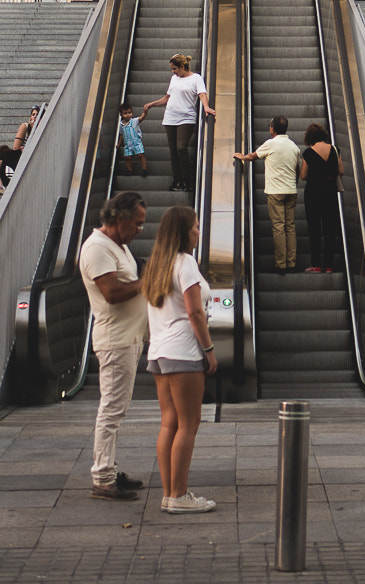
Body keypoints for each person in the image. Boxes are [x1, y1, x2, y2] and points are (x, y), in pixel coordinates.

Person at [142, 206, 217, 513]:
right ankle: (180, 495)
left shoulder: (157, 264)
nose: (199, 232)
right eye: (195, 227)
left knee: (168, 423)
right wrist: (209, 350)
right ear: (183, 232)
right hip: (184, 351)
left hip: (159, 351)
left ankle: (170, 494)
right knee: (189, 424)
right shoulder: (185, 262)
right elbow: (195, 311)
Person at [79, 191, 148, 501]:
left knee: (116, 409)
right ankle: (103, 477)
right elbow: (112, 293)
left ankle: (108, 469)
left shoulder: (118, 246)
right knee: (111, 410)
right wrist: (148, 282)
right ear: (119, 219)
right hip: (115, 341)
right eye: (137, 223)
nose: (140, 229)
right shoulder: (96, 248)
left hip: (128, 338)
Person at [234, 115, 301, 274]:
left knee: (279, 227)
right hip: (291, 191)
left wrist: (241, 157)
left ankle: (281, 264)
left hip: (275, 192)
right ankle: (291, 263)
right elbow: (297, 170)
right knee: (290, 227)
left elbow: (253, 156)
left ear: (273, 129)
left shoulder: (271, 144)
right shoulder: (294, 147)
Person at [144, 54, 215, 193]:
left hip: (186, 117)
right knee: (173, 151)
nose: (173, 71)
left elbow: (202, 94)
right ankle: (177, 180)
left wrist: (206, 107)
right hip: (170, 117)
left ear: (182, 66)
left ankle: (188, 180)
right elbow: (167, 98)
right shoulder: (174, 79)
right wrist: (152, 104)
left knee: (181, 148)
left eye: (174, 68)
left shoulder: (196, 78)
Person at [300, 123, 344, 273]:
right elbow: (341, 171)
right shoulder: (335, 150)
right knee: (329, 229)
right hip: (330, 190)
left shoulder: (308, 153)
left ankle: (316, 265)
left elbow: (303, 175)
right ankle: (329, 265)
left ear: (310, 137)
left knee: (314, 228)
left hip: (313, 191)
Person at [0, 105, 41, 194]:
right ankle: (0, 186)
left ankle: (13, 176)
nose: (35, 116)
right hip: (19, 157)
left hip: (34, 159)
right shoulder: (26, 127)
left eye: (37, 114)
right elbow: (15, 147)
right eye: (33, 114)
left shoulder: (46, 130)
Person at [118, 102, 149, 177]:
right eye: (125, 113)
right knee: (127, 157)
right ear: (121, 115)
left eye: (129, 112)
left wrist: (145, 112)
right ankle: (129, 170)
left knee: (140, 155)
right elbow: (121, 135)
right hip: (127, 144)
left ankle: (144, 170)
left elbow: (141, 118)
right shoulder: (121, 125)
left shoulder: (134, 121)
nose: (128, 114)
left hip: (136, 142)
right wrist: (119, 144)